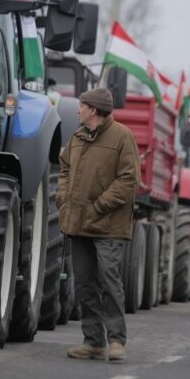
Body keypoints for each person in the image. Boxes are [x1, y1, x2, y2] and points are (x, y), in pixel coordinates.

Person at [57, 87, 141, 362]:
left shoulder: (122, 137)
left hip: (108, 225)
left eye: (81, 105)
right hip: (78, 223)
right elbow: (65, 167)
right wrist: (62, 199)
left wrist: (100, 206)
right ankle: (93, 342)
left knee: (109, 280)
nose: (77, 109)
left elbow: (129, 180)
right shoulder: (78, 136)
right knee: (84, 284)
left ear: (93, 110)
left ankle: (116, 341)